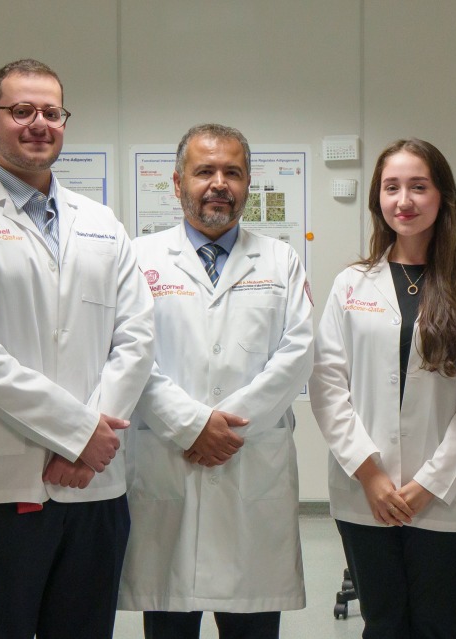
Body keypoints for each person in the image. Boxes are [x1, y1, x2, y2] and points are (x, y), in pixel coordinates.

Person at [0, 59, 155, 639]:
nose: (38, 123)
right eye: (21, 111)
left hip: (96, 483)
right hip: (4, 486)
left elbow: (138, 335)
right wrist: (78, 432)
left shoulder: (101, 224)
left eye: (51, 112)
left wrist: (91, 442)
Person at [118, 123, 314, 639]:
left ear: (248, 183)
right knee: (169, 624)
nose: (219, 183)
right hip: (167, 460)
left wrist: (227, 430)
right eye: (205, 171)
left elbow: (297, 352)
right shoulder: (138, 259)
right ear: (177, 182)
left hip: (251, 466)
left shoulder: (280, 261)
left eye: (233, 172)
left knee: (252, 626)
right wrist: (190, 425)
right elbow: (129, 354)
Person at [310, 138, 456, 639]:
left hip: (445, 494)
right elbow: (326, 385)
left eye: (418, 187)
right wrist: (370, 474)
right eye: (391, 188)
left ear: (442, 197)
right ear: (377, 200)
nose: (404, 200)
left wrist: (432, 480)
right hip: (366, 491)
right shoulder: (351, 284)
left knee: (439, 624)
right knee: (382, 622)